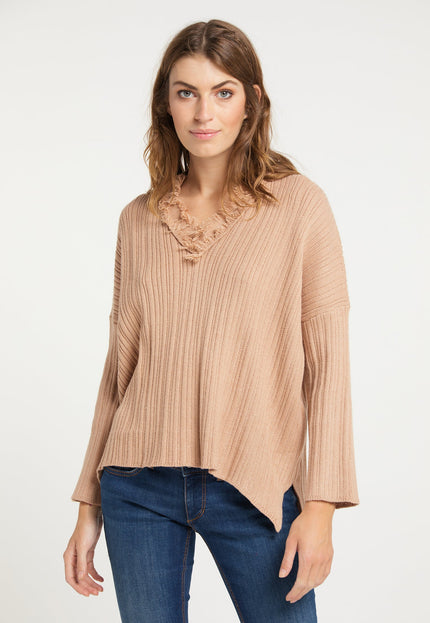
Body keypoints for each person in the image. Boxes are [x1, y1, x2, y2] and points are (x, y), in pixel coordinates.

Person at [63, 18, 359, 622]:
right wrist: (88, 505)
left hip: (255, 484)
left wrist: (321, 506)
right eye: (186, 92)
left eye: (223, 92)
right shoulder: (138, 219)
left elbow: (328, 368)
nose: (204, 112)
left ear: (251, 102)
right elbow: (119, 371)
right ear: (165, 104)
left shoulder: (299, 206)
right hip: (137, 485)